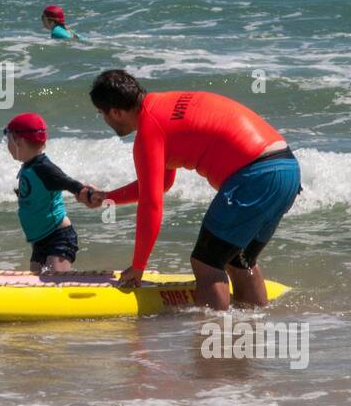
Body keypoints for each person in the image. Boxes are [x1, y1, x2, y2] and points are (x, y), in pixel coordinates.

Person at [76, 70, 300, 310]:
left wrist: (138, 266)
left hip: (255, 175)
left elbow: (151, 205)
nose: (104, 120)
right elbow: (162, 183)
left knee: (207, 262)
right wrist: (107, 198)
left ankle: (211, 338)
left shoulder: (150, 130)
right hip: (287, 170)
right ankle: (252, 331)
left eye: (102, 114)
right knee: (239, 260)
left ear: (116, 112)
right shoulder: (164, 105)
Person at [5, 113, 84, 274]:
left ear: (18, 141)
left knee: (54, 284)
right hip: (39, 241)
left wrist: (83, 191)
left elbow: (66, 182)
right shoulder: (30, 166)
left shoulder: (44, 168)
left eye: (8, 141)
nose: (8, 146)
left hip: (58, 237)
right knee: (36, 283)